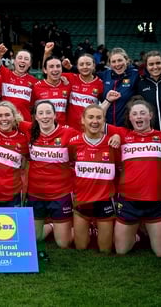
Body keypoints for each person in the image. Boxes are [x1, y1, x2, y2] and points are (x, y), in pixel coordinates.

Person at [19, 100, 78, 259]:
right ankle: (51, 226)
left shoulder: (69, 133)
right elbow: (8, 117)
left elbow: (90, 135)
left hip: (60, 194)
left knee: (63, 244)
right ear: (35, 117)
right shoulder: (29, 129)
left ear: (55, 115)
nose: (45, 116)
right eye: (41, 113)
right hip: (35, 193)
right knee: (34, 239)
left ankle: (67, 227)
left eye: (48, 113)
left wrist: (115, 136)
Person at [113, 98, 161, 257]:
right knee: (121, 251)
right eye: (134, 114)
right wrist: (115, 134)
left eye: (142, 113)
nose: (138, 117)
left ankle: (146, 230)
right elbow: (96, 118)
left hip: (156, 200)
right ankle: (138, 234)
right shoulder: (122, 134)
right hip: (129, 200)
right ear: (130, 118)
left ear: (150, 115)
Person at [68, 104, 119, 252]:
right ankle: (90, 229)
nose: (95, 121)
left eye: (99, 117)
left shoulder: (112, 144)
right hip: (82, 199)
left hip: (104, 200)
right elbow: (70, 163)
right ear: (83, 120)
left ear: (104, 120)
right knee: (81, 247)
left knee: (105, 250)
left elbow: (120, 168)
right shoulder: (73, 143)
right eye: (90, 117)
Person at [98, 47, 140, 127]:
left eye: (120, 60)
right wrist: (71, 68)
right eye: (113, 61)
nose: (117, 64)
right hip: (107, 127)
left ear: (127, 60)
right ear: (110, 64)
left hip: (128, 127)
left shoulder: (135, 75)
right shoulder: (105, 75)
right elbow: (87, 74)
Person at [31, 52, 71, 126]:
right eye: (51, 66)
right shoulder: (36, 87)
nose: (55, 69)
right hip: (42, 131)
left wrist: (71, 67)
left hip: (62, 131)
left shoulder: (67, 85)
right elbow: (31, 111)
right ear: (45, 70)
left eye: (58, 66)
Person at [133, 50, 161, 130]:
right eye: (151, 64)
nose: (155, 67)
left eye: (158, 63)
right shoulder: (140, 84)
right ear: (146, 66)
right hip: (151, 135)